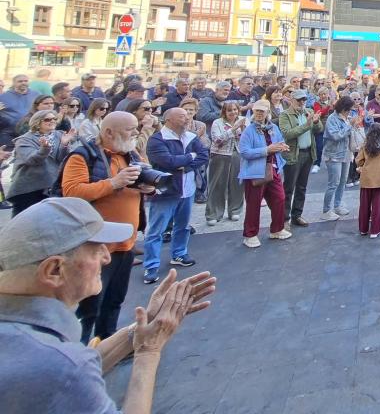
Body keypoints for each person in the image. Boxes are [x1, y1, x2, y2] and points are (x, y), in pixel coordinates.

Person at [0, 197, 216, 414]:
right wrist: (149, 350)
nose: (106, 257)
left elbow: (81, 364)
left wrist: (139, 329)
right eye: (95, 249)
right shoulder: (61, 366)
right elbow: (69, 370)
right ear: (54, 270)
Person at [62, 111, 151, 342]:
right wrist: (113, 183)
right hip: (95, 247)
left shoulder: (129, 154)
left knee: (114, 300)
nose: (136, 132)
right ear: (109, 131)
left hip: (125, 244)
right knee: (89, 306)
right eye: (130, 129)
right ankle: (80, 354)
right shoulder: (83, 156)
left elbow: (141, 182)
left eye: (136, 127)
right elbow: (71, 192)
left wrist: (147, 187)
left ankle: (108, 344)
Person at [143, 108, 209, 284]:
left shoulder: (191, 137)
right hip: (166, 192)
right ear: (168, 120)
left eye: (187, 116)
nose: (187, 119)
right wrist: (190, 156)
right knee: (156, 230)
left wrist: (185, 164)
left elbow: (203, 156)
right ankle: (151, 266)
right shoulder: (157, 140)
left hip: (188, 190)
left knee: (183, 225)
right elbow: (168, 162)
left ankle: (179, 254)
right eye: (182, 116)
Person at [238, 101, 291, 248]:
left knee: (279, 198)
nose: (260, 114)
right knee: (253, 204)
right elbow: (245, 152)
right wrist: (267, 150)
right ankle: (250, 235)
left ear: (268, 112)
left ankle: (277, 229)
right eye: (257, 111)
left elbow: (279, 141)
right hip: (255, 173)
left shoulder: (273, 127)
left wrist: (282, 147)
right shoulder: (249, 131)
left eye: (263, 111)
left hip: (273, 169)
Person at [8, 110, 75, 215]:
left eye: (54, 119)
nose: (52, 121)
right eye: (47, 119)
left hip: (51, 186)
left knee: (48, 221)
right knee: (24, 221)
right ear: (37, 123)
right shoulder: (24, 139)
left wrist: (64, 145)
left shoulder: (59, 135)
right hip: (29, 188)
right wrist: (44, 149)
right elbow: (31, 160)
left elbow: (62, 159)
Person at [277, 89, 323, 229]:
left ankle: (297, 215)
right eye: (299, 100)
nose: (302, 102)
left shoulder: (308, 111)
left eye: (304, 100)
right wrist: (307, 124)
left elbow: (319, 129)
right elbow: (288, 134)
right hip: (293, 155)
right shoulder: (285, 115)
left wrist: (315, 122)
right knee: (289, 188)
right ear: (292, 100)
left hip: (308, 154)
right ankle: (284, 219)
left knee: (302, 187)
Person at [206, 101, 245, 226]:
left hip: (238, 154)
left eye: (235, 109)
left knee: (237, 184)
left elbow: (248, 138)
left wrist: (243, 130)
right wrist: (233, 129)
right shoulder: (217, 123)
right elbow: (217, 140)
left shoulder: (244, 120)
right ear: (224, 112)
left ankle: (235, 210)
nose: (233, 112)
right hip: (220, 155)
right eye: (229, 110)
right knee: (217, 185)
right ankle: (214, 213)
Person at [322, 95, 357, 220]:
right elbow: (335, 136)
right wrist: (349, 126)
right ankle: (326, 210)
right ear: (343, 108)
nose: (350, 112)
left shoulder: (348, 118)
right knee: (333, 183)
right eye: (349, 109)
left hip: (346, 154)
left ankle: (337, 205)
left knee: (342, 182)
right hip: (334, 155)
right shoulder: (332, 119)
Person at [355, 124, 380, 239]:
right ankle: (375, 230)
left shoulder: (365, 145)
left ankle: (363, 229)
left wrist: (361, 166)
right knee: (377, 205)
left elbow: (359, 160)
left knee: (364, 204)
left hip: (367, 178)